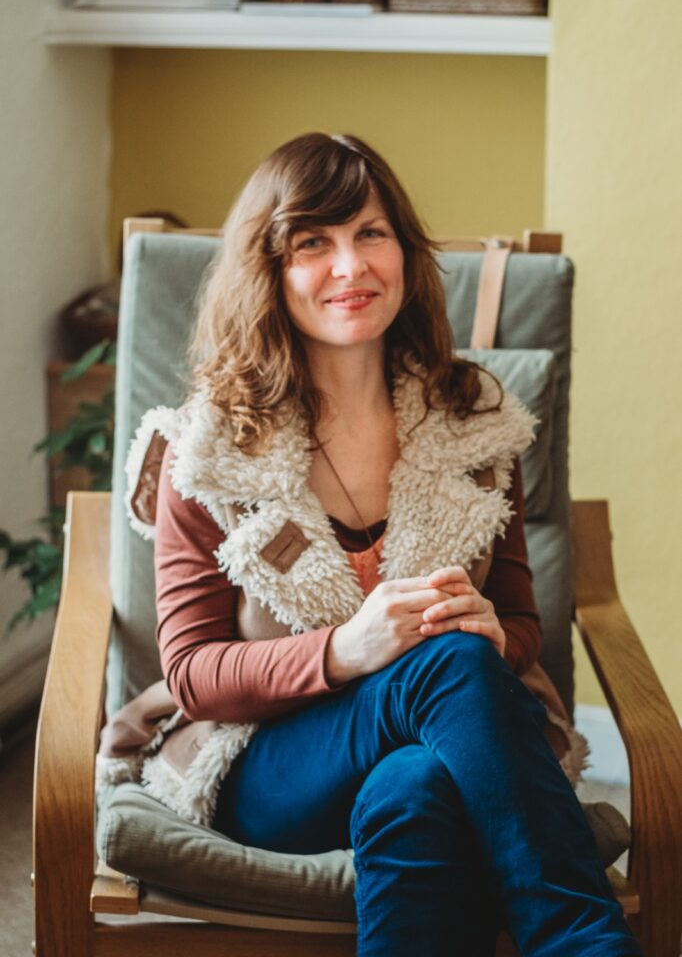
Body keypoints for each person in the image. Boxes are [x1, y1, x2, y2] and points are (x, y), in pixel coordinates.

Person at [114, 132, 643, 956]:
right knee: (446, 666)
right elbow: (192, 674)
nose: (351, 267)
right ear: (271, 270)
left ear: (404, 251)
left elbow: (522, 626)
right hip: (271, 763)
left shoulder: (473, 424)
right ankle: (583, 939)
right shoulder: (206, 449)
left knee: (418, 788)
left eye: (371, 233)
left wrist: (498, 636)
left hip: (443, 745)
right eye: (313, 243)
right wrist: (348, 650)